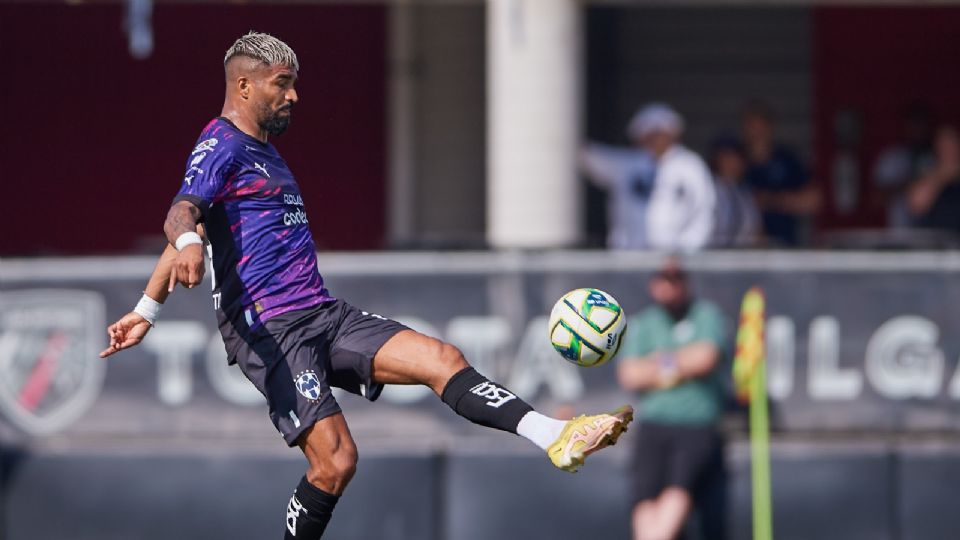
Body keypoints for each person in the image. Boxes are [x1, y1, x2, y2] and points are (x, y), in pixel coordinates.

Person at [99, 32, 633, 540]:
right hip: (271, 332)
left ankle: (555, 437)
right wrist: (188, 244)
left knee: (441, 358)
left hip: (322, 315)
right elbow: (183, 213)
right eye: (282, 83)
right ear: (244, 86)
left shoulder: (265, 154)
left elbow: (197, 227)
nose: (294, 95)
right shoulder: (221, 144)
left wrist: (148, 307)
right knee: (335, 463)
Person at [617, 257, 727, 540]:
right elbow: (630, 374)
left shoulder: (706, 315)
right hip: (653, 424)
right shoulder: (644, 322)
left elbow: (705, 358)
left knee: (677, 492)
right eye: (664, 280)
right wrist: (680, 364)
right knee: (644, 499)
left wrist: (657, 364)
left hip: (695, 424)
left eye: (676, 280)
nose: (670, 287)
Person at [741, 101, 820, 246]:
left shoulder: (787, 160)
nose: (756, 132)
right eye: (751, 126)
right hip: (743, 251)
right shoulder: (735, 161)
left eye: (760, 126)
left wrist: (772, 201)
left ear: (770, 127)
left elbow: (813, 201)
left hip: (783, 247)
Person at [638, 104, 716, 252]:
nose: (655, 139)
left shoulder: (690, 165)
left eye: (659, 133)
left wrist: (687, 250)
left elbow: (705, 209)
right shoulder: (631, 163)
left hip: (680, 260)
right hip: (632, 258)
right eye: (650, 134)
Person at [580, 113, 658, 249]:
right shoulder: (627, 163)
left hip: (670, 259)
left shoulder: (685, 165)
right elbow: (589, 158)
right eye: (649, 135)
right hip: (626, 251)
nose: (655, 140)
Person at [708, 135, 761, 248]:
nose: (731, 163)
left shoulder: (745, 194)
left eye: (735, 158)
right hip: (710, 256)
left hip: (742, 259)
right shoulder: (708, 189)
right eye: (726, 157)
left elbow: (755, 229)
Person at [906, 125, 960, 235]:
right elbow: (917, 205)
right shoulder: (927, 172)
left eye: (952, 142)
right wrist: (943, 175)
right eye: (944, 144)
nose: (949, 148)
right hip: (937, 245)